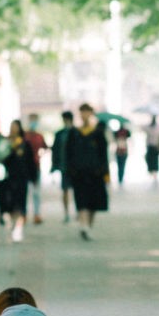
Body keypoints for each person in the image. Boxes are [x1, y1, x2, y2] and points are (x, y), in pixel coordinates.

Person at [68, 102, 110, 240]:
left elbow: (104, 154)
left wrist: (105, 172)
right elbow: (68, 154)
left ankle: (88, 226)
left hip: (95, 173)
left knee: (94, 203)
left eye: (87, 112)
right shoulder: (74, 133)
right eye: (82, 112)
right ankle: (83, 226)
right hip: (79, 174)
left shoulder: (98, 133)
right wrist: (70, 170)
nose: (84, 115)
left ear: (91, 113)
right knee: (81, 201)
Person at [0, 119, 34, 243]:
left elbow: (30, 162)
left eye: (15, 126)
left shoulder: (24, 144)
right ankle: (14, 223)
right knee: (9, 203)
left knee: (20, 203)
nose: (13, 129)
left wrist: (33, 177)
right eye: (11, 126)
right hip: (7, 178)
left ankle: (18, 227)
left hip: (21, 178)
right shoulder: (5, 143)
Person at [51, 110, 76, 222]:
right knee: (65, 190)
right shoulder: (59, 134)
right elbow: (55, 150)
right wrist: (54, 165)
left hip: (75, 167)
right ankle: (67, 213)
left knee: (75, 190)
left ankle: (76, 212)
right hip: (64, 167)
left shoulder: (76, 133)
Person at [24, 113, 47, 225]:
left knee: (36, 192)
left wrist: (40, 156)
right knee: (24, 191)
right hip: (25, 167)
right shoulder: (24, 135)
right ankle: (23, 214)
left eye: (35, 120)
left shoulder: (39, 136)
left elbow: (45, 148)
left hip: (36, 167)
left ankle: (37, 214)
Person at [145, 114, 159, 180]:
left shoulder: (157, 127)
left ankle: (154, 171)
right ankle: (151, 171)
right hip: (151, 146)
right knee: (151, 159)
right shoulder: (149, 127)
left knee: (155, 160)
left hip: (155, 146)